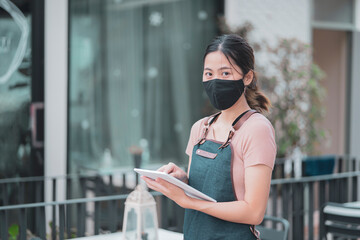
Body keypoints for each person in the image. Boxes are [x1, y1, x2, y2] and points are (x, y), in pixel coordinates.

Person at [142, 34, 276, 240]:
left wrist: (188, 202)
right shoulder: (200, 128)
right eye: (209, 73)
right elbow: (200, 187)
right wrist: (181, 179)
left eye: (225, 73)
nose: (215, 80)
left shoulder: (256, 129)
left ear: (247, 77)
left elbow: (254, 212)